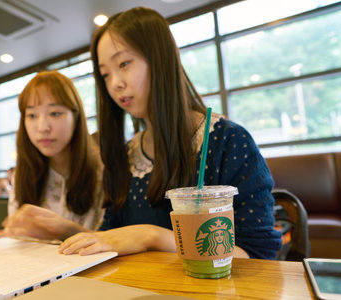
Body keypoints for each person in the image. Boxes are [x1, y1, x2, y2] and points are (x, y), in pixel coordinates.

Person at [58, 7, 282, 259]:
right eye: (105, 74)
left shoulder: (228, 141)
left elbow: (258, 255)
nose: (115, 83)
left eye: (124, 63)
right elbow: (111, 237)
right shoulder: (127, 154)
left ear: (164, 57)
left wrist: (150, 236)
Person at [0, 70, 104, 241]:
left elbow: (117, 240)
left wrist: (68, 230)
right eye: (32, 115)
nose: (42, 127)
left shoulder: (103, 169)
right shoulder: (23, 174)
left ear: (76, 117)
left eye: (55, 113)